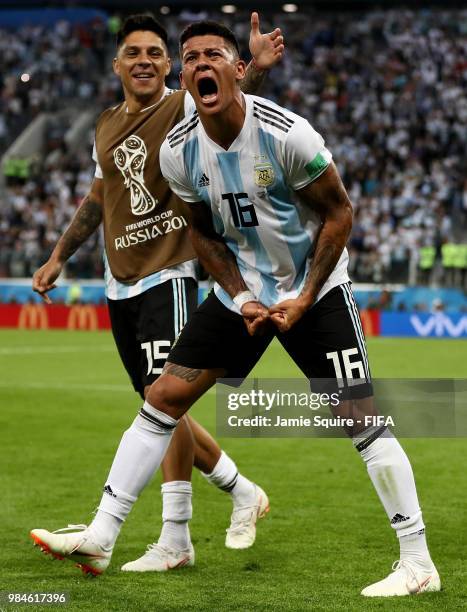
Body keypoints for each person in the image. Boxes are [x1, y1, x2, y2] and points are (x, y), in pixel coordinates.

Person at [31, 20, 440, 598]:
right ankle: (101, 533)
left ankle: (418, 561)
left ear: (237, 68)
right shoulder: (179, 152)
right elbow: (203, 232)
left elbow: (339, 214)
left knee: (362, 421)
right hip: (239, 296)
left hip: (314, 294)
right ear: (186, 73)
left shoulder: (288, 134)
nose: (201, 64)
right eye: (191, 56)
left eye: (214, 55)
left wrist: (302, 295)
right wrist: (243, 296)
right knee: (164, 398)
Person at [31, 13, 283, 573]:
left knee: (162, 401)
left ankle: (175, 536)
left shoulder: (183, 105)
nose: (144, 60)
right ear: (118, 63)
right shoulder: (104, 125)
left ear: (169, 65)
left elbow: (229, 112)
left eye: (155, 53)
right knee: (158, 404)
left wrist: (256, 70)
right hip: (120, 280)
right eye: (134, 52)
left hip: (170, 272)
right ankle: (241, 491)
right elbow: (100, 199)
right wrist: (57, 256)